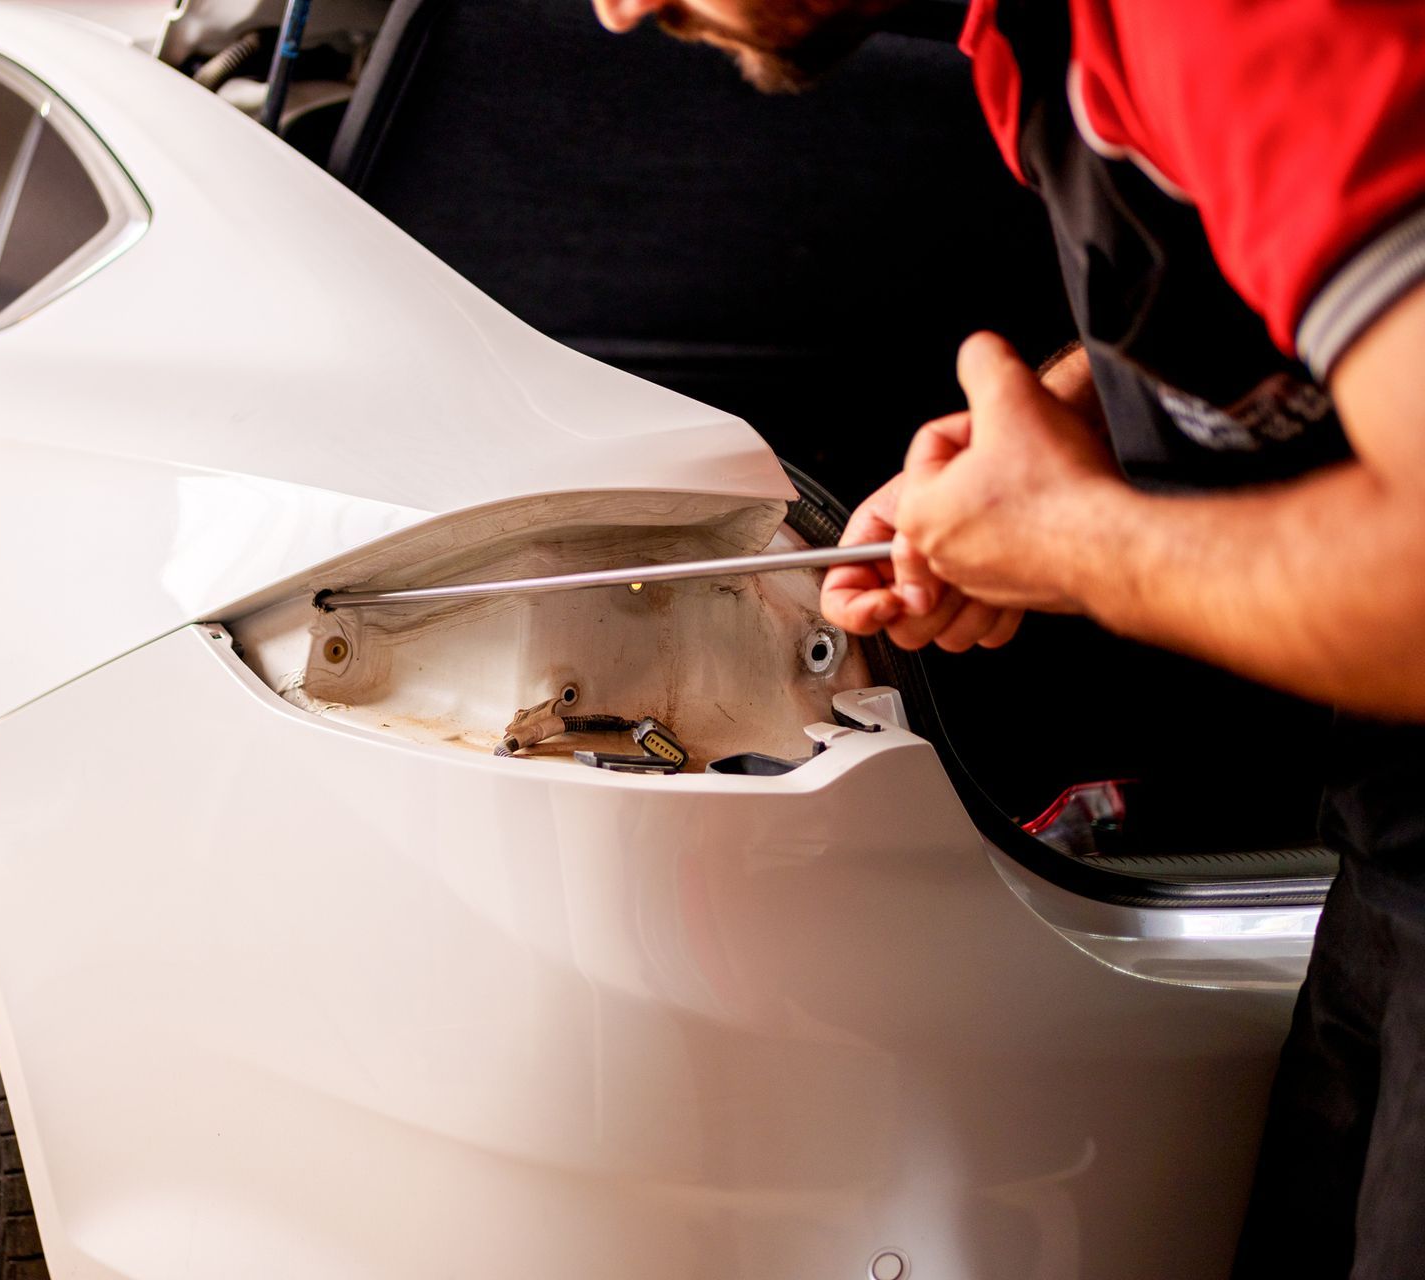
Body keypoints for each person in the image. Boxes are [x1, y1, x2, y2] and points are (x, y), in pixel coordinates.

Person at [591, 0, 1425, 1274]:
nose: (617, 8)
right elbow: (1283, 288)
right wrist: (1080, 428)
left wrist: (1078, 540)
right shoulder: (1031, 43)